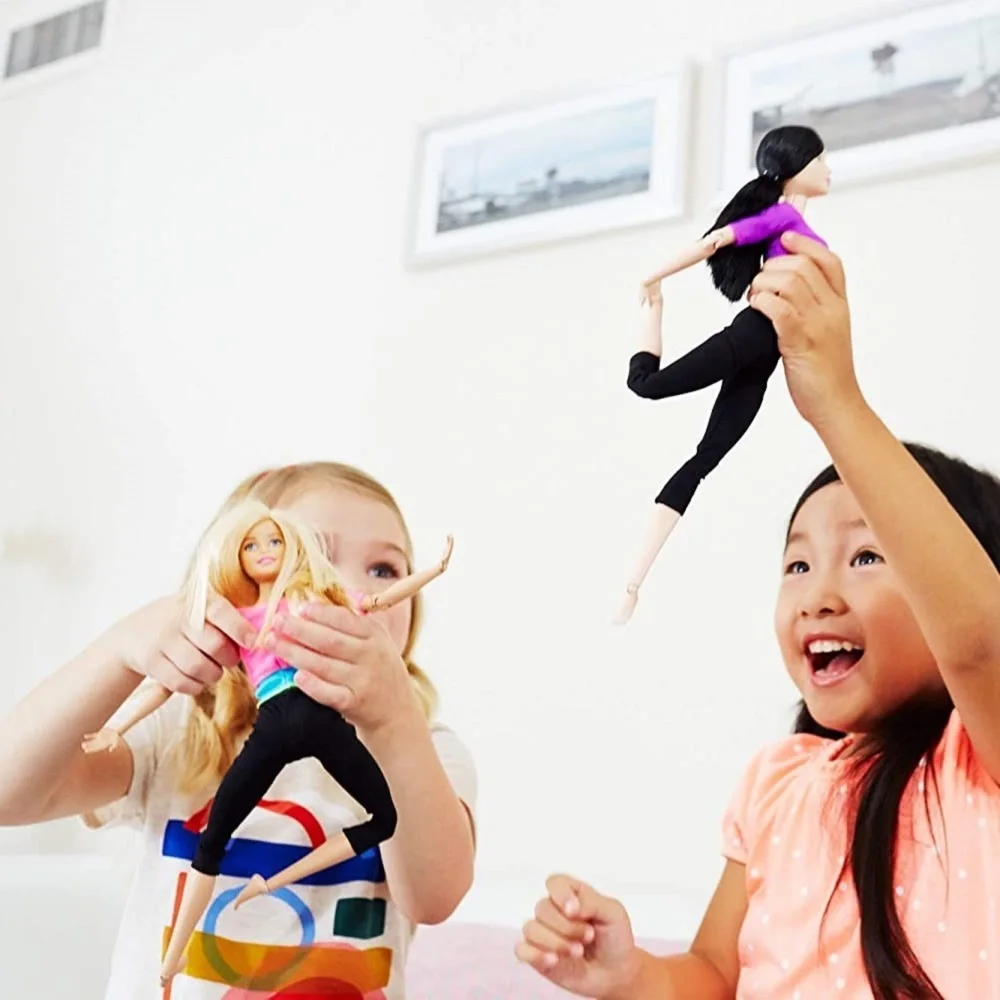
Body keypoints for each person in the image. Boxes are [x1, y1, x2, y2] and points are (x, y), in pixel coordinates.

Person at [517, 234, 1000, 999]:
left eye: (866, 556)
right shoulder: (777, 783)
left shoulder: (976, 761)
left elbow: (979, 640)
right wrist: (631, 974)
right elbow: (714, 973)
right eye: (797, 565)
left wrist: (836, 402)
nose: (818, 595)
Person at [0, 462, 477, 1000]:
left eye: (385, 569)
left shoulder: (427, 751)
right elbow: (7, 793)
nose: (347, 589)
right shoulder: (180, 731)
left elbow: (434, 898)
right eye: (311, 557)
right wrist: (119, 651)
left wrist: (393, 721)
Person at [614, 125, 832, 624]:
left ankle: (633, 584)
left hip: (767, 359)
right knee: (647, 387)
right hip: (752, 335)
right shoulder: (781, 216)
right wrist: (654, 279)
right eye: (820, 159)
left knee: (705, 458)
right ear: (796, 167)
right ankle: (654, 312)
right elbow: (716, 241)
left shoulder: (796, 219)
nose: (828, 169)